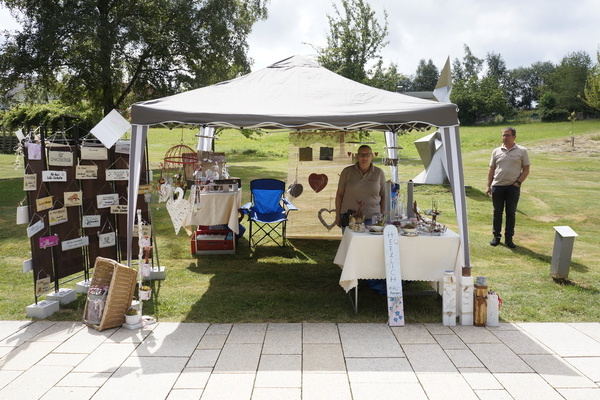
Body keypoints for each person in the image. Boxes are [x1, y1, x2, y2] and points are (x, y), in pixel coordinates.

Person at [486, 127, 530, 248]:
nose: (505, 138)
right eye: (503, 135)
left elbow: (526, 169)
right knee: (497, 212)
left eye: (508, 135)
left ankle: (509, 238)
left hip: (512, 187)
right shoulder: (496, 151)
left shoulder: (522, 151)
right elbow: (491, 170)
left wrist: (518, 182)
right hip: (497, 186)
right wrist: (488, 185)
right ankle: (496, 237)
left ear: (514, 137)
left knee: (510, 213)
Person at [335, 144, 386, 228]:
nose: (364, 158)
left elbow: (384, 195)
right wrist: (337, 215)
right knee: (350, 241)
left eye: (367, 155)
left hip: (372, 218)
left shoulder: (379, 173)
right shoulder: (347, 171)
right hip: (350, 218)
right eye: (361, 155)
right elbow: (339, 194)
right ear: (357, 156)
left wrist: (382, 215)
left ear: (372, 156)